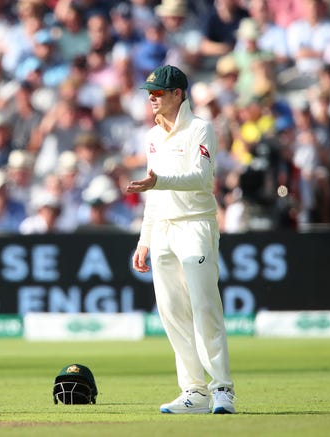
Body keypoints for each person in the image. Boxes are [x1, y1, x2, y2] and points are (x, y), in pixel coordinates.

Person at [126, 65, 235, 414]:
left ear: (178, 94)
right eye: (149, 93)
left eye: (158, 92)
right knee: (172, 311)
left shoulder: (201, 129)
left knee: (204, 306)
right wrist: (145, 239)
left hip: (196, 225)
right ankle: (194, 391)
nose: (152, 98)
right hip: (163, 232)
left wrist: (158, 182)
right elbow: (153, 195)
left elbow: (201, 178)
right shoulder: (152, 137)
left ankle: (222, 389)